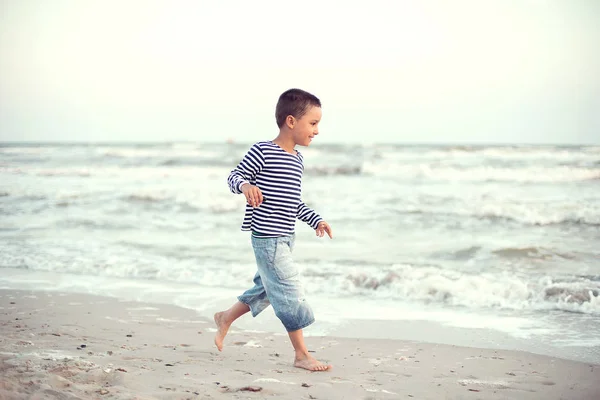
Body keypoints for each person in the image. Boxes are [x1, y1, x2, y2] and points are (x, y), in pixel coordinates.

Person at [214, 88, 333, 371]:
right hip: (267, 239)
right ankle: (301, 354)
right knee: (288, 290)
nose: (317, 130)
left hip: (286, 238)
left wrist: (315, 219)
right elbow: (234, 176)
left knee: (267, 289)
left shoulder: (297, 160)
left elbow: (293, 202)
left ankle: (225, 318)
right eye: (313, 123)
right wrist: (246, 186)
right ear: (291, 122)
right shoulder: (263, 150)